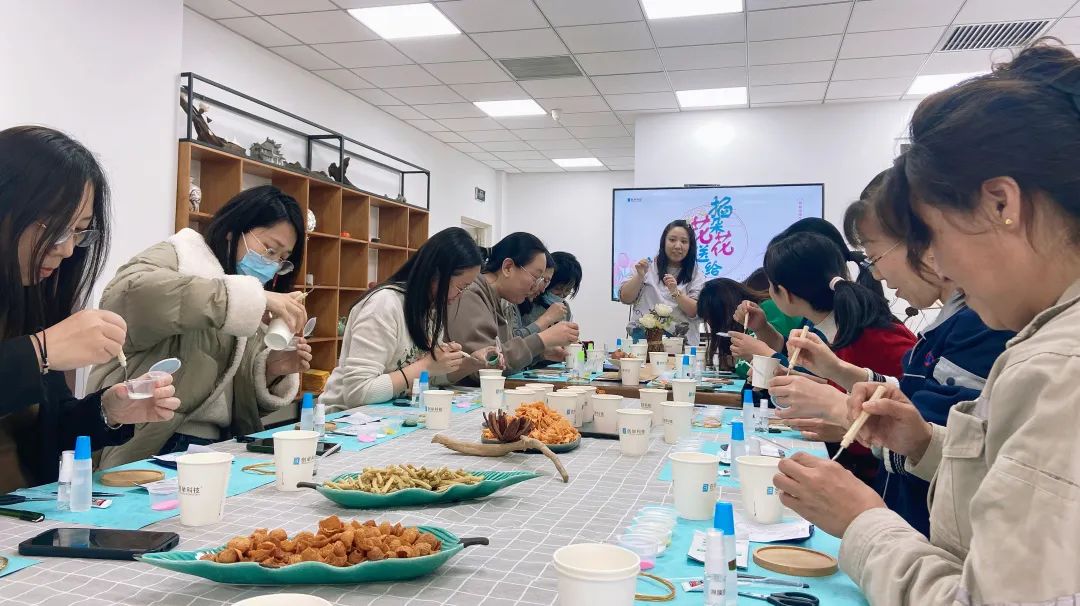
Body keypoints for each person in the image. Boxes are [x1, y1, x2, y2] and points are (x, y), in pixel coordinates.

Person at [773, 42, 1080, 604]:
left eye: (932, 236)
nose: (938, 264)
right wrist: (924, 444)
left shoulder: (1059, 367)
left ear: (1001, 204)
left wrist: (862, 522)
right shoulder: (1043, 340)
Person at [768, 194, 1012, 536]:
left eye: (875, 256)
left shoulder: (984, 328)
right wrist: (839, 372)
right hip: (903, 517)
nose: (877, 273)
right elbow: (915, 403)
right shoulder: (948, 327)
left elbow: (971, 460)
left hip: (923, 528)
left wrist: (841, 409)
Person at [0, 126, 179, 491]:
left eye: (79, 231)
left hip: (25, 510)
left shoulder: (29, 299)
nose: (67, 250)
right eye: (53, 227)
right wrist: (39, 352)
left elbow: (47, 432)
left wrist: (108, 410)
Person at [88, 185, 311, 466]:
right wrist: (242, 298)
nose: (272, 265)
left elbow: (230, 397)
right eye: (269, 249)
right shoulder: (181, 256)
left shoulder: (245, 293)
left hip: (214, 446)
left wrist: (270, 369)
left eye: (281, 259)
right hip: (151, 443)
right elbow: (126, 297)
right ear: (234, 231)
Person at [740, 231, 916, 483]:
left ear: (785, 293)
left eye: (770, 285)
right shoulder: (841, 329)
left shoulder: (872, 337)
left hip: (882, 479)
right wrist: (800, 380)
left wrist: (845, 426)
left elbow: (912, 420)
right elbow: (847, 389)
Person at [320, 227, 497, 407]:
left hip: (387, 414)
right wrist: (426, 365)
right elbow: (358, 393)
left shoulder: (430, 309)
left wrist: (471, 363)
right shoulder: (383, 305)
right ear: (436, 273)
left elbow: (428, 378)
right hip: (344, 417)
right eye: (461, 287)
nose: (460, 296)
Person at [446, 232, 579, 382]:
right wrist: (543, 339)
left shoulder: (498, 299)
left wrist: (541, 353)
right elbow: (483, 369)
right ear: (508, 267)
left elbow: (504, 356)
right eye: (536, 277)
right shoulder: (470, 294)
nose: (538, 287)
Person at [618, 219, 705, 344]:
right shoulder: (646, 266)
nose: (678, 246)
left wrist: (676, 292)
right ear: (663, 242)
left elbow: (695, 311)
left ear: (690, 246)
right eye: (672, 240)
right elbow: (625, 298)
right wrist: (639, 277)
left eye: (684, 241)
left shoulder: (696, 274)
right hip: (644, 343)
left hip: (681, 345)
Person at [697, 277, 767, 372]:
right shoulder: (745, 325)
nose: (710, 324)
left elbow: (771, 363)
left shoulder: (765, 311)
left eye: (711, 318)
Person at [504, 253, 559, 339]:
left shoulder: (516, 301)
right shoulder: (506, 301)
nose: (543, 290)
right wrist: (546, 319)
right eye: (543, 280)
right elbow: (512, 342)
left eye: (547, 282)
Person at [524, 251, 581, 325]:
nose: (562, 295)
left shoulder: (565, 307)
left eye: (568, 290)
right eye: (558, 289)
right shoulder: (527, 303)